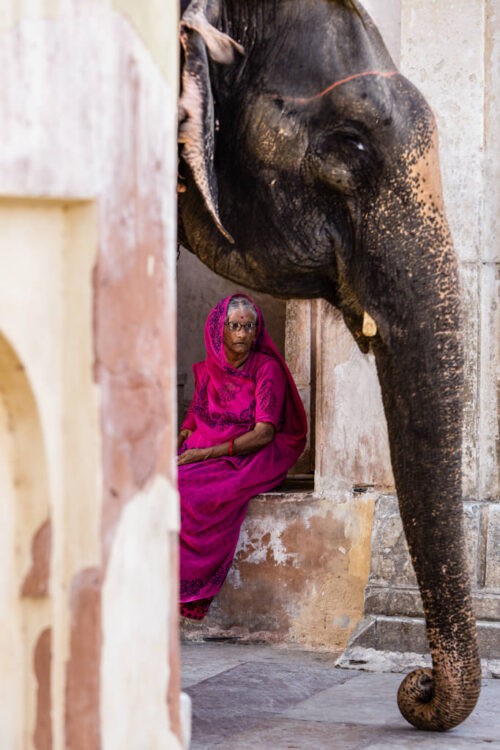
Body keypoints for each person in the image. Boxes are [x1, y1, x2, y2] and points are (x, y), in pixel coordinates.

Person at [178, 293, 307, 620]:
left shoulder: (267, 369)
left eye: (249, 327)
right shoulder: (211, 368)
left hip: (253, 454)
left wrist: (204, 453)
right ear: (218, 330)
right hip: (205, 447)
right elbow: (195, 415)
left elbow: (264, 433)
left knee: (194, 495)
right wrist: (179, 440)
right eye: (234, 326)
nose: (242, 334)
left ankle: (190, 592)